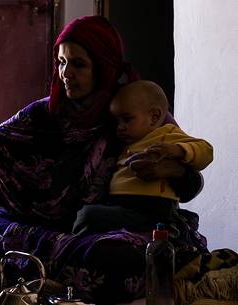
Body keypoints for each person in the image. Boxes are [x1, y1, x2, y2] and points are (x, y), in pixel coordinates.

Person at [0, 16, 208, 304]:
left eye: (78, 64)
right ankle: (55, 273)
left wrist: (168, 167)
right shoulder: (43, 114)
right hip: (48, 228)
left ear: (103, 67)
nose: (66, 73)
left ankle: (36, 271)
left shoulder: (133, 109)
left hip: (112, 229)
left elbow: (192, 182)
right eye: (61, 62)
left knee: (126, 255)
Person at [72, 80, 213, 235]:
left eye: (126, 119)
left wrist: (177, 150)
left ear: (154, 117)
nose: (119, 127)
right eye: (116, 121)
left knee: (88, 216)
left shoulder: (166, 135)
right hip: (120, 207)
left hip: (150, 210)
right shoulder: (124, 142)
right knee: (89, 216)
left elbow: (206, 151)